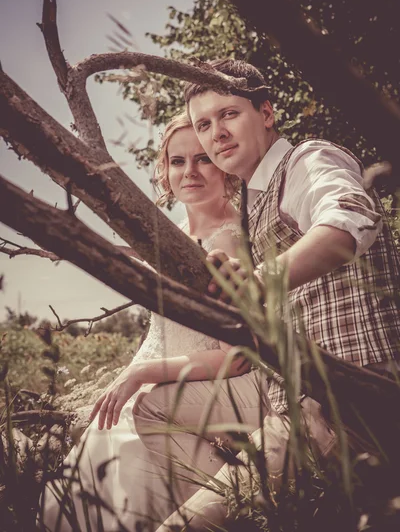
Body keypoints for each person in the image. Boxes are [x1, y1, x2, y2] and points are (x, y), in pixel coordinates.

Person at [137, 58, 400, 530]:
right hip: (300, 402)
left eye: (229, 114)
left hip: (353, 401)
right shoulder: (252, 209)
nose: (215, 133)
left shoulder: (308, 160)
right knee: (159, 417)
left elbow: (348, 218)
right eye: (203, 124)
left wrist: (257, 282)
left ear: (267, 112)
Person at [39, 112, 265, 532]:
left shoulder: (236, 238)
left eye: (203, 159)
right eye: (178, 162)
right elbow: (162, 334)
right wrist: (129, 377)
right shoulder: (168, 238)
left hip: (211, 393)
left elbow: (239, 358)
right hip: (161, 384)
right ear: (164, 171)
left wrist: (144, 374)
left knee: (133, 466)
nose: (190, 172)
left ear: (223, 163)